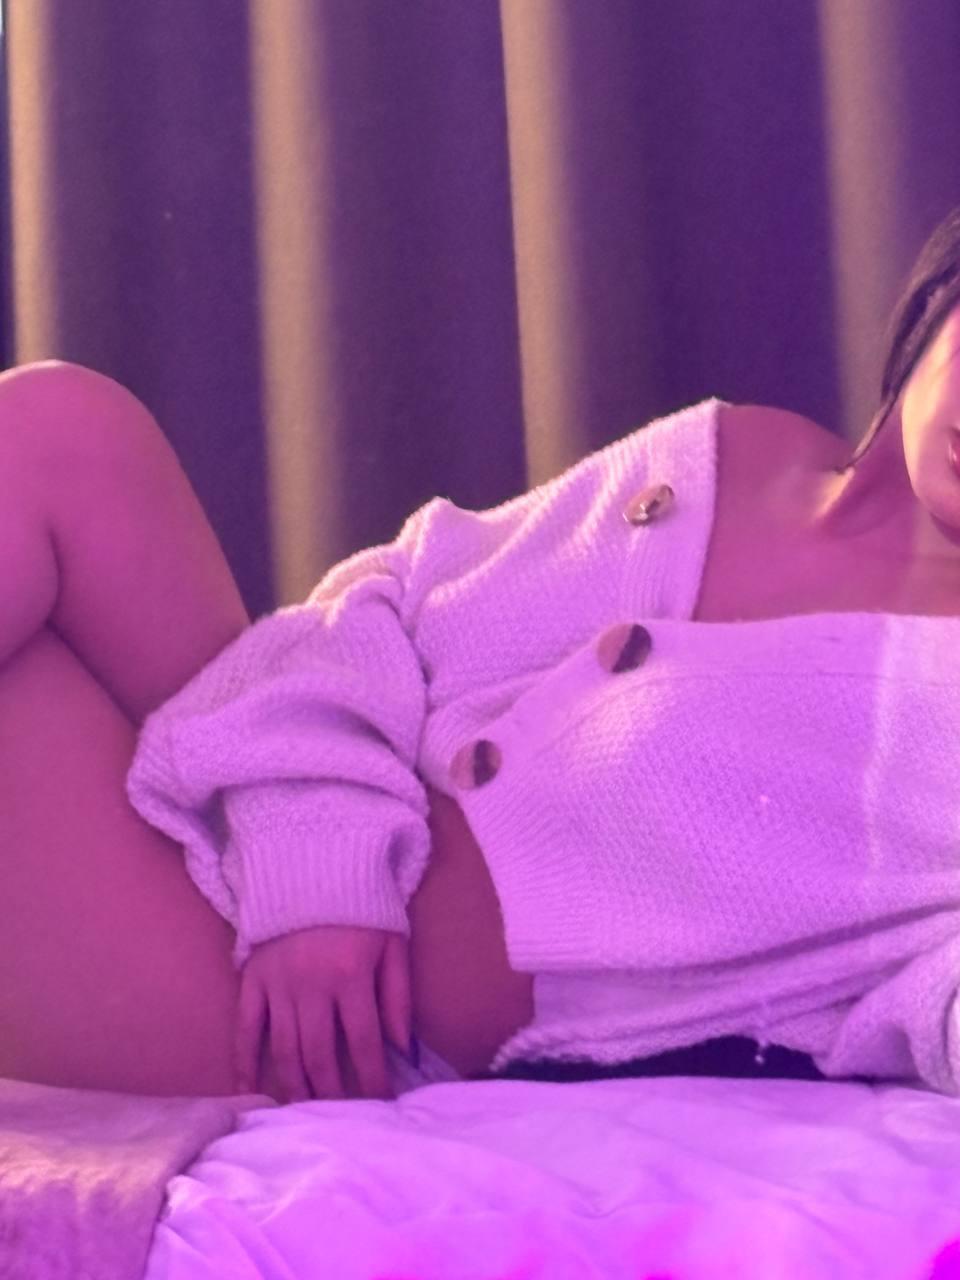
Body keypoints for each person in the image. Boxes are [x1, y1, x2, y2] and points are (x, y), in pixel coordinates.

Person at [2, 207, 960, 1108]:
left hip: (301, 1024)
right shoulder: (745, 453)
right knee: (62, 428)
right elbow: (395, 603)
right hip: (262, 803)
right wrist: (316, 855)